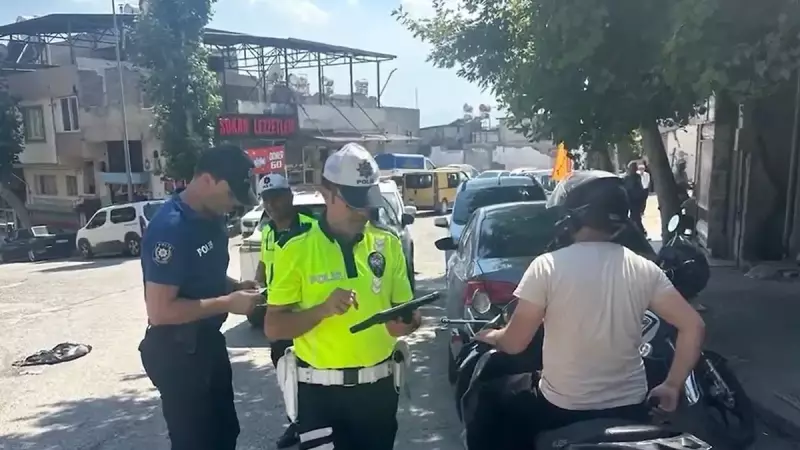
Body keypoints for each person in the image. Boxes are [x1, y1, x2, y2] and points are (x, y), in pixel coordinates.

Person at [473, 170, 706, 447]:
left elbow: (514, 343)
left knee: (490, 396)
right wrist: (672, 385)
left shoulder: (547, 266)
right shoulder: (644, 268)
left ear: (572, 215)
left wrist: (490, 336)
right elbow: (693, 326)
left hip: (560, 408)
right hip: (631, 406)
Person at [265, 142, 422, 450]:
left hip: (378, 392)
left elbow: (400, 317)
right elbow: (274, 327)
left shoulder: (388, 245)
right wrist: (321, 310)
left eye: (368, 201)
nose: (364, 211)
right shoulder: (294, 249)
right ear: (329, 193)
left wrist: (408, 323)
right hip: (319, 396)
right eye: (354, 202)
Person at [138, 144, 263, 450]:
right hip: (177, 352)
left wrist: (235, 287)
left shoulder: (214, 218)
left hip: (207, 342)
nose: (234, 204)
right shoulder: (171, 228)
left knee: (224, 434)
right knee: (195, 443)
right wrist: (228, 304)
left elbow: (201, 277)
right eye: (230, 194)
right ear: (207, 180)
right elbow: (160, 311)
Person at [252, 172, 317, 448]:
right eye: (266, 199)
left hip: (305, 316)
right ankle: (297, 422)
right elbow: (265, 267)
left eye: (277, 197)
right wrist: (255, 287)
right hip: (277, 315)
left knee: (311, 374)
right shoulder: (267, 232)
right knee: (285, 372)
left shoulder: (314, 228)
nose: (272, 204)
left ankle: (313, 425)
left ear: (290, 196)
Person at [623, 161, 648, 236]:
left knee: (635, 217)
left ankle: (640, 232)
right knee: (635, 217)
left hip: (636, 200)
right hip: (632, 199)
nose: (634, 169)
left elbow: (637, 188)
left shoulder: (636, 177)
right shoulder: (627, 178)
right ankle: (640, 232)